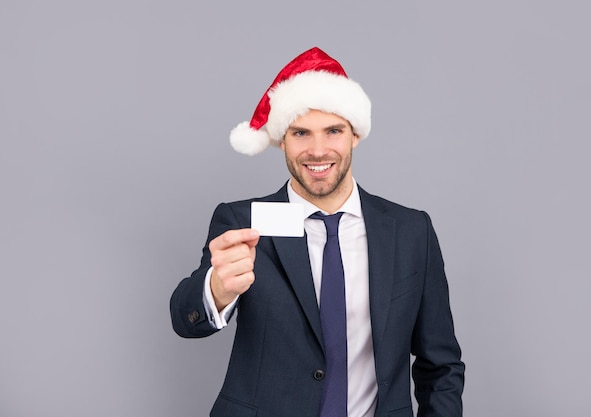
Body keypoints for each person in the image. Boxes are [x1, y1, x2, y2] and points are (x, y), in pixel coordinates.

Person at [170, 47, 464, 417]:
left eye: (333, 131)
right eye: (301, 133)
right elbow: (184, 319)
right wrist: (216, 290)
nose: (318, 150)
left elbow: (441, 364)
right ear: (281, 140)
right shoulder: (244, 222)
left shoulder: (410, 231)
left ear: (355, 134)